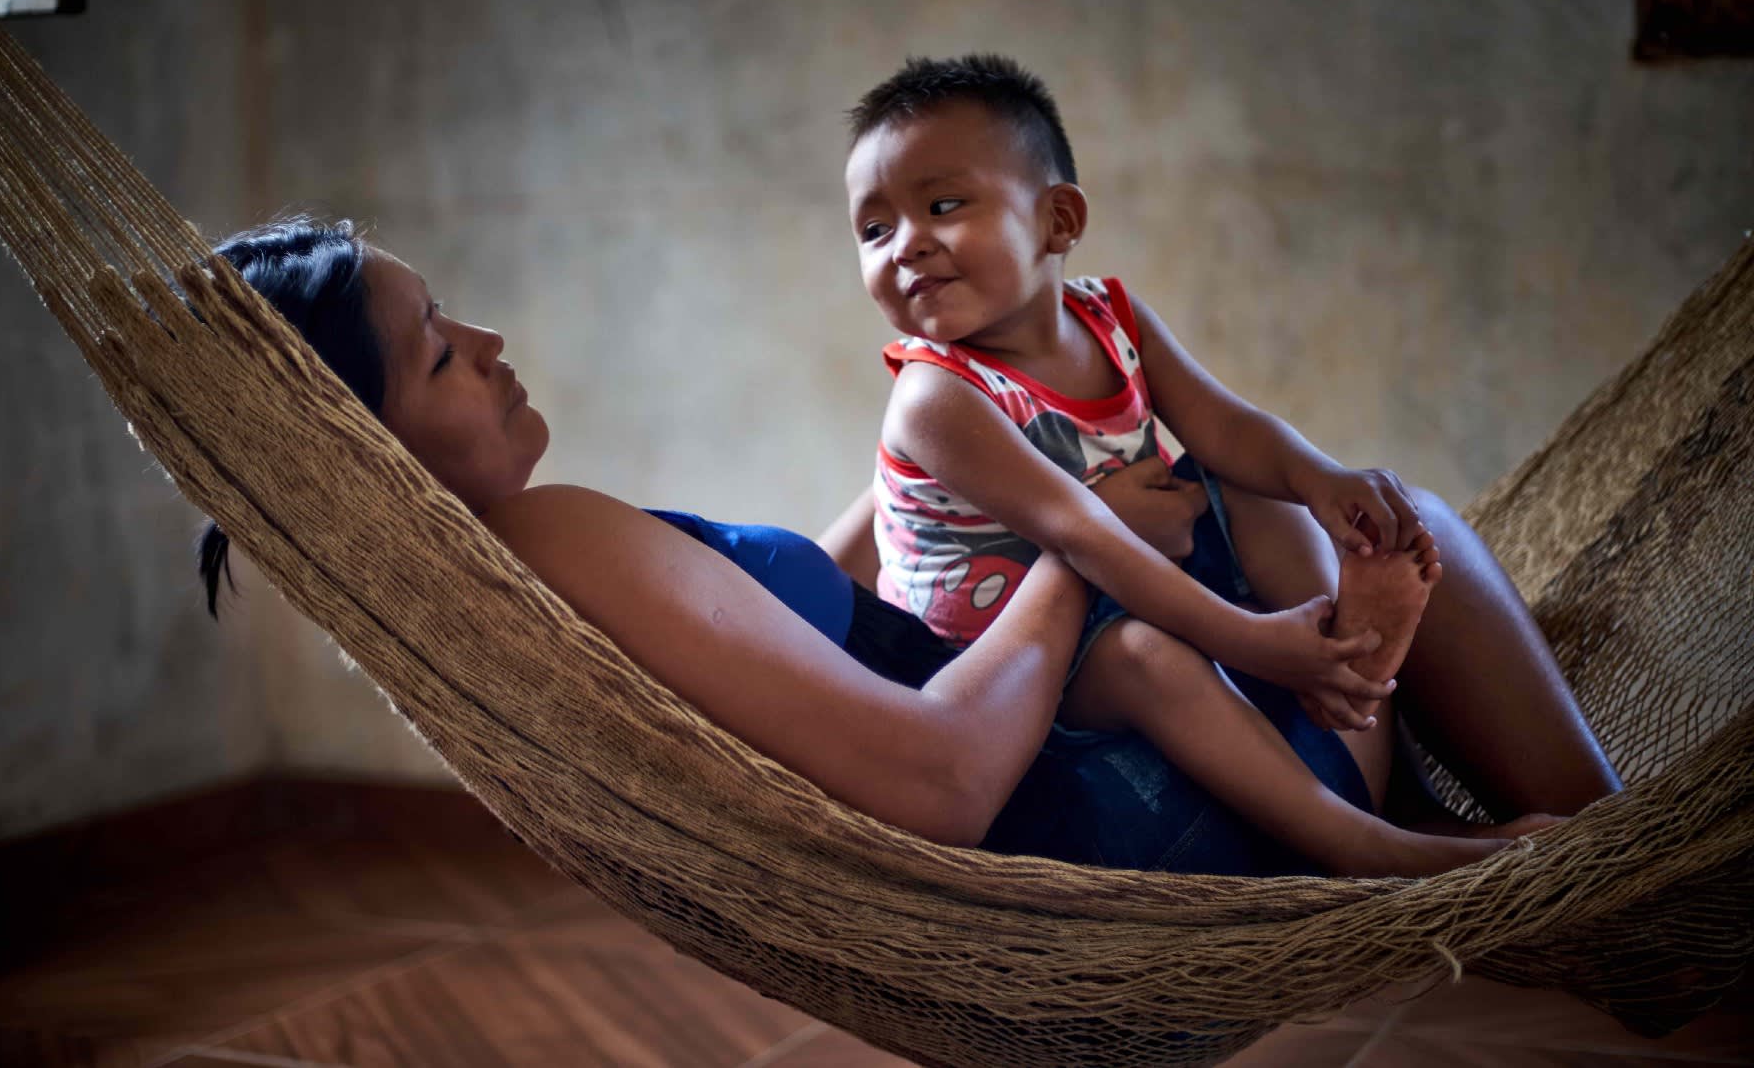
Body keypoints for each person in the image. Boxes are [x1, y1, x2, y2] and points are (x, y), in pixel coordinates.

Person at [196, 218, 1616, 876]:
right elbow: (937, 778)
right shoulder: (552, 540)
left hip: (1124, 764)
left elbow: (821, 625)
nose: (495, 347)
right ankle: (1608, 876)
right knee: (1382, 516)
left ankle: (1485, 825)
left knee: (1258, 485)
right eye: (443, 353)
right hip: (1122, 817)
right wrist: (1075, 542)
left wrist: (946, 473)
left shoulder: (529, 580)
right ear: (362, 451)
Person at [844, 55, 1621, 871]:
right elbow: (1090, 538)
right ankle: (1369, 843)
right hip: (1016, 663)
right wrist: (1255, 644)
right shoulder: (935, 396)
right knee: (1144, 656)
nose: (907, 246)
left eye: (942, 204)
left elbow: (1233, 428)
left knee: (1261, 493)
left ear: (1058, 222)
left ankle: (1344, 653)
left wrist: (1323, 477)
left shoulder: (1110, 316)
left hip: (1130, 583)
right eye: (874, 228)